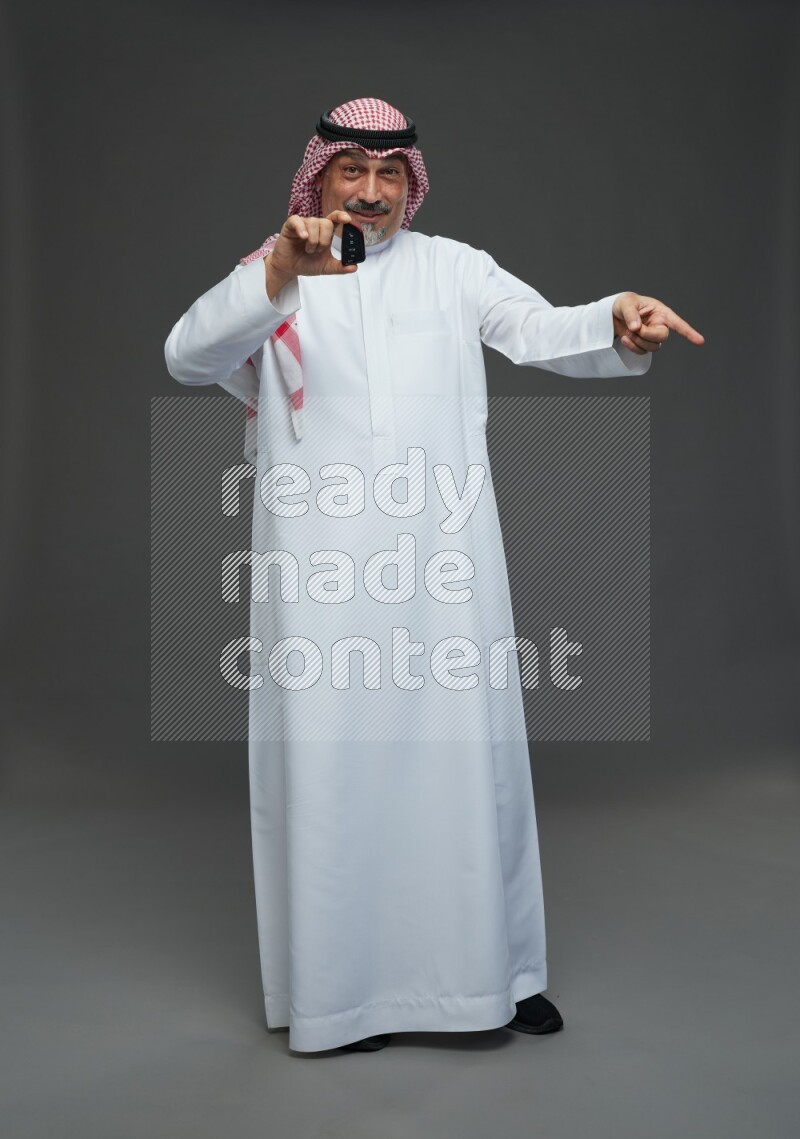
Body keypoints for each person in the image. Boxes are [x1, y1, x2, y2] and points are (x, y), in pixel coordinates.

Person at [163, 97, 704, 1055]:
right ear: (320, 177)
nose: (370, 192)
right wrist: (281, 274)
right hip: (319, 572)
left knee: (471, 765)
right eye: (351, 172)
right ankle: (345, 997)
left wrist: (618, 322)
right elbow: (190, 353)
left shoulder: (456, 269)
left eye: (389, 175)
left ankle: (492, 977)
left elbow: (539, 329)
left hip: (444, 566)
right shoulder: (276, 270)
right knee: (335, 767)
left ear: (410, 184)